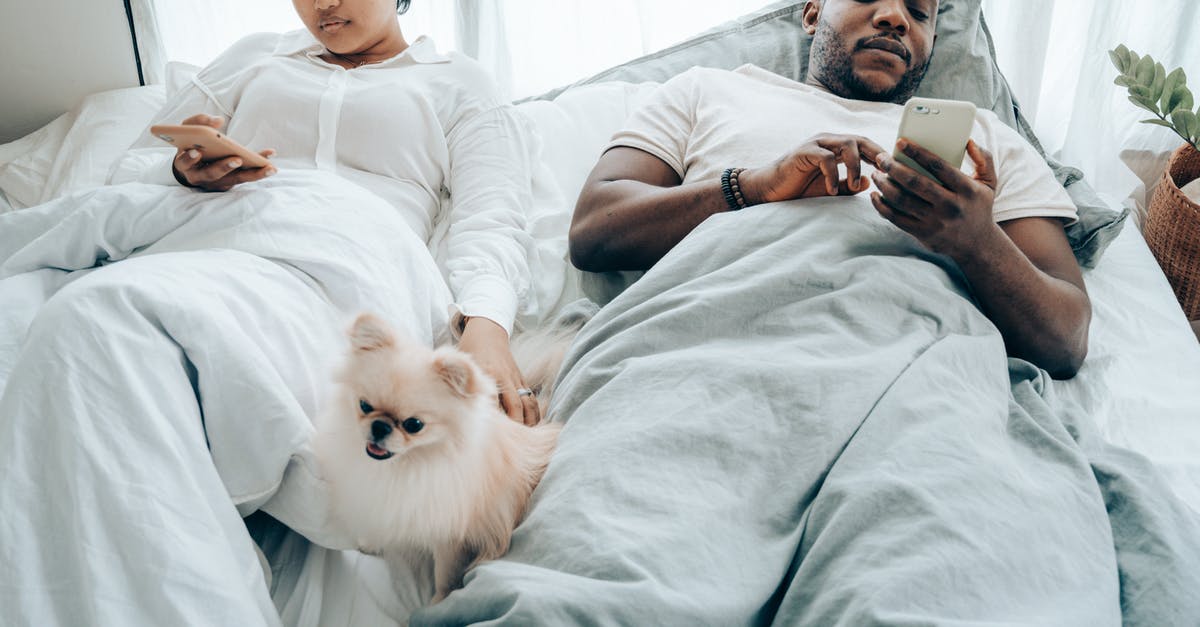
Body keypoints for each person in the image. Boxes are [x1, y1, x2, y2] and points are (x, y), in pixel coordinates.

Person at [0, 0, 537, 624]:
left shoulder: (458, 82)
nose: (323, 5)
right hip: (198, 230)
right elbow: (136, 165)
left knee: (97, 322)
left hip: (333, 257)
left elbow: (491, 217)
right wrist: (184, 170)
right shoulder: (257, 55)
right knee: (15, 322)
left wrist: (488, 327)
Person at [570, 0, 1090, 379]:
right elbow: (594, 231)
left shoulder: (986, 139)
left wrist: (975, 241)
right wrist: (752, 188)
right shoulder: (705, 89)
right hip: (696, 357)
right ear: (813, 13)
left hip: (910, 380)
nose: (895, 17)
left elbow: (1066, 340)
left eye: (919, 12)